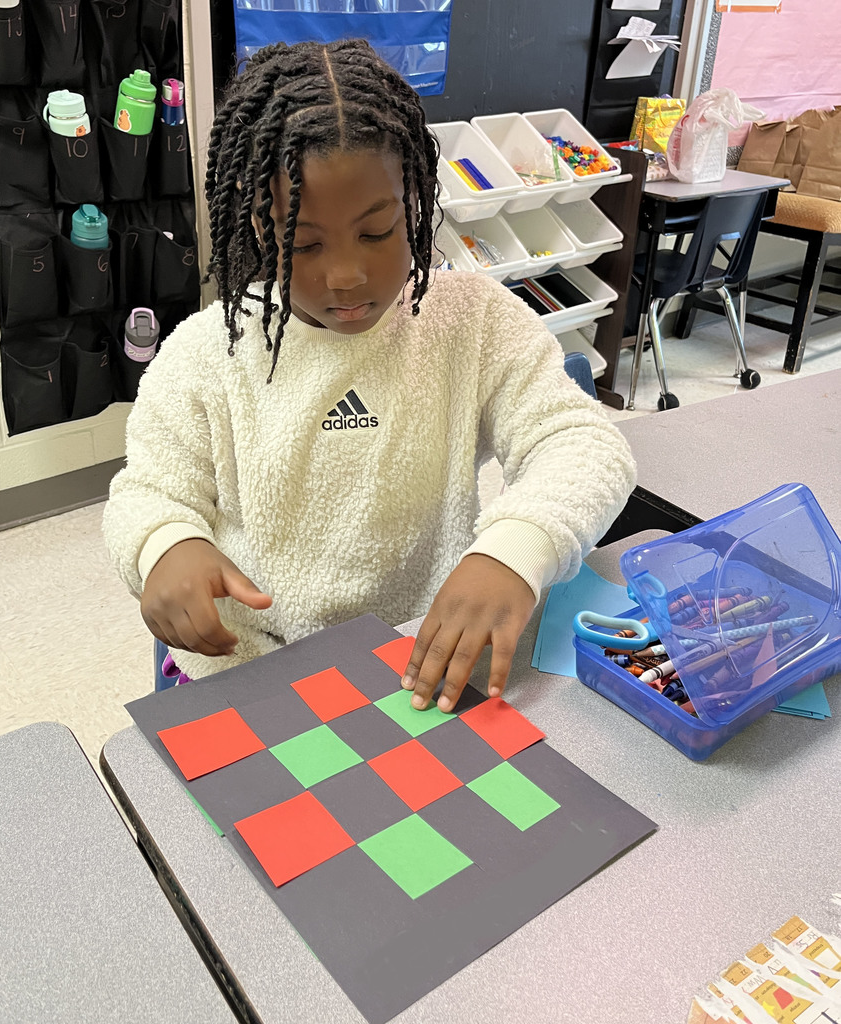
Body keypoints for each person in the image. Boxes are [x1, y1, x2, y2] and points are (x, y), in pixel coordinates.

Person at [103, 38, 636, 713]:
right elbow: (146, 491)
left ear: (413, 198)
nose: (347, 274)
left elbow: (583, 443)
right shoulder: (207, 352)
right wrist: (164, 544)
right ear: (258, 224)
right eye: (303, 243)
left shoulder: (471, 320)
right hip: (256, 671)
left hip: (421, 663)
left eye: (378, 231)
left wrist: (515, 549)